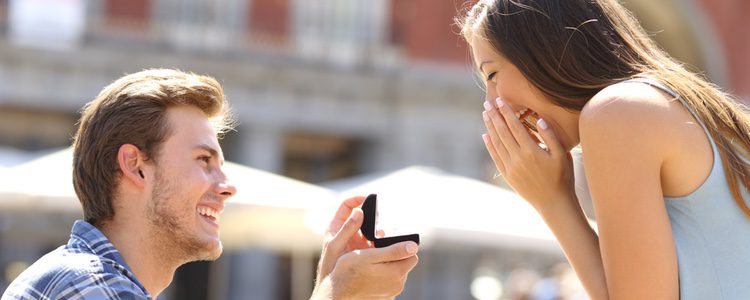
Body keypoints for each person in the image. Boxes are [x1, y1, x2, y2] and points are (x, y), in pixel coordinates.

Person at [1, 69, 419, 299]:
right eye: (204, 160)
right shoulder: (91, 286)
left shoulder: (95, 279)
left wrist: (328, 288)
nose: (227, 185)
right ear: (135, 166)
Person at [458, 0, 750, 299]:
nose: (492, 103)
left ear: (544, 49)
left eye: (491, 75)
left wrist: (554, 200)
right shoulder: (675, 105)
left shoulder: (617, 111)